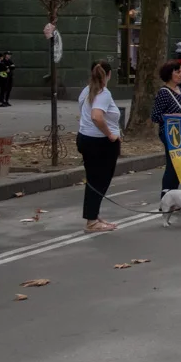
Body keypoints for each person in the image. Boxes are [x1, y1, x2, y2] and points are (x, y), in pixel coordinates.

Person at [76, 60, 122, 233]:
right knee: (100, 181)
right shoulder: (103, 93)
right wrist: (110, 134)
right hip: (100, 143)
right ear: (109, 74)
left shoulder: (86, 91)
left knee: (94, 181)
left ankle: (93, 215)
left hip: (86, 139)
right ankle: (92, 221)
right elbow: (96, 116)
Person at [150, 60, 181, 197]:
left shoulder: (180, 90)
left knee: (179, 165)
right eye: (178, 72)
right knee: (172, 165)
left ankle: (174, 196)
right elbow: (155, 116)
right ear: (169, 74)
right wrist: (172, 116)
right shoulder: (164, 92)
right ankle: (166, 197)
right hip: (169, 132)